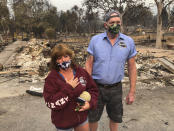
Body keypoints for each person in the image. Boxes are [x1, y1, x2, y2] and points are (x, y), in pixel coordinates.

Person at [85, 10, 137, 131]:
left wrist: (132, 92)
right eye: (112, 22)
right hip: (96, 87)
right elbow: (89, 64)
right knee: (93, 118)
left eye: (118, 22)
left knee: (115, 118)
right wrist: (87, 87)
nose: (115, 25)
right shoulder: (95, 41)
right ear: (105, 25)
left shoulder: (128, 42)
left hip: (116, 88)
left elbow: (132, 67)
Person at [43, 44, 98, 131]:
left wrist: (90, 104)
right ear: (55, 61)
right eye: (59, 58)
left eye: (66, 56)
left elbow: (93, 89)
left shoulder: (81, 72)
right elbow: (50, 102)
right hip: (63, 122)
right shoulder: (52, 79)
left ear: (70, 57)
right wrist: (68, 87)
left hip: (81, 118)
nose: (63, 60)